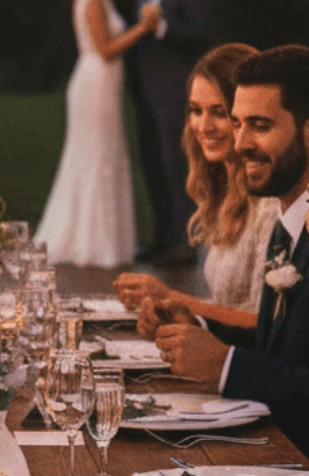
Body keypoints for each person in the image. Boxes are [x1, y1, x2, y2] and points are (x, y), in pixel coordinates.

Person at [151, 44, 309, 471]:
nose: (239, 143)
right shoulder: (286, 224)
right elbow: (278, 345)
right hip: (269, 450)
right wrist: (198, 328)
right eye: (237, 123)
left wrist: (226, 365)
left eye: (258, 126)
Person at [115, 42, 279, 330]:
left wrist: (173, 297)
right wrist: (172, 313)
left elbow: (266, 324)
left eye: (219, 112)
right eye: (195, 110)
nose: (204, 126)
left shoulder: (270, 206)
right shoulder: (221, 192)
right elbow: (222, 306)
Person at [35, 0, 162, 267]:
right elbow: (106, 49)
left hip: (104, 85)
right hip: (95, 82)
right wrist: (144, 27)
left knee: (107, 152)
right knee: (96, 154)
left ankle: (108, 241)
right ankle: (90, 243)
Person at [129, 0, 211, 265]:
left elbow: (200, 34)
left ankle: (187, 242)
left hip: (178, 90)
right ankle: (163, 237)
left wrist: (161, 26)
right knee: (155, 167)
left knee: (179, 166)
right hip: (148, 91)